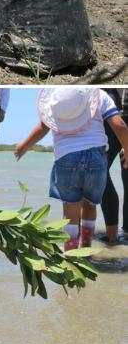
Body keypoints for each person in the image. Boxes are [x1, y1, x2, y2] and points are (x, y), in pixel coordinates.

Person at [15, 88, 128, 250]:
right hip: (96, 158)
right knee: (90, 204)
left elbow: (42, 128)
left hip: (66, 158)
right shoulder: (100, 95)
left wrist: (23, 147)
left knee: (70, 211)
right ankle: (86, 250)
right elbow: (120, 126)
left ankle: (71, 254)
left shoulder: (54, 103)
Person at [101, 88, 128, 243]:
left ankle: (115, 235)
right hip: (115, 119)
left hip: (119, 118)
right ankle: (118, 235)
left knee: (102, 173)